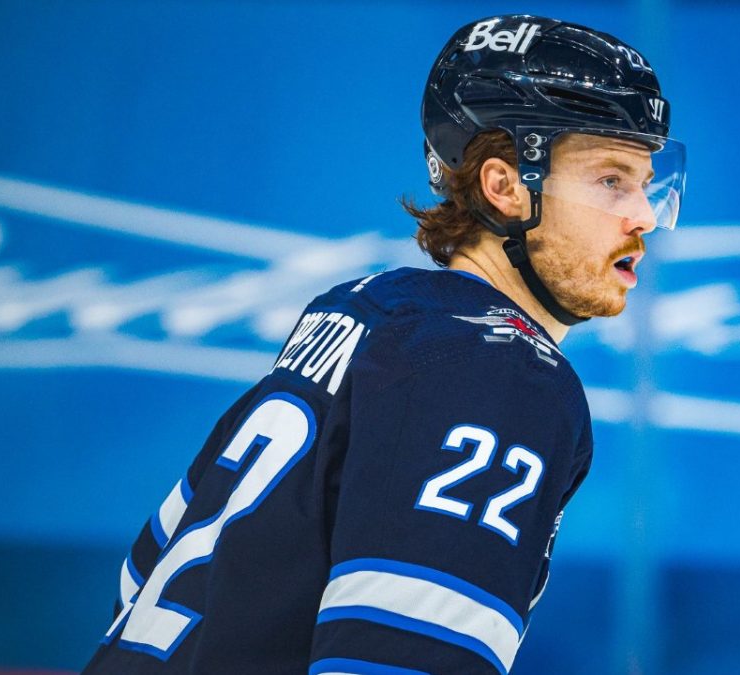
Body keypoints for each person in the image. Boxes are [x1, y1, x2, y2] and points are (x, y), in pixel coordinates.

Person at [82, 14, 684, 675]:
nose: (644, 214)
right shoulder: (500, 367)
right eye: (610, 180)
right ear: (506, 186)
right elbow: (400, 661)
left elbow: (144, 576)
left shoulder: (359, 312)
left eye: (646, 182)